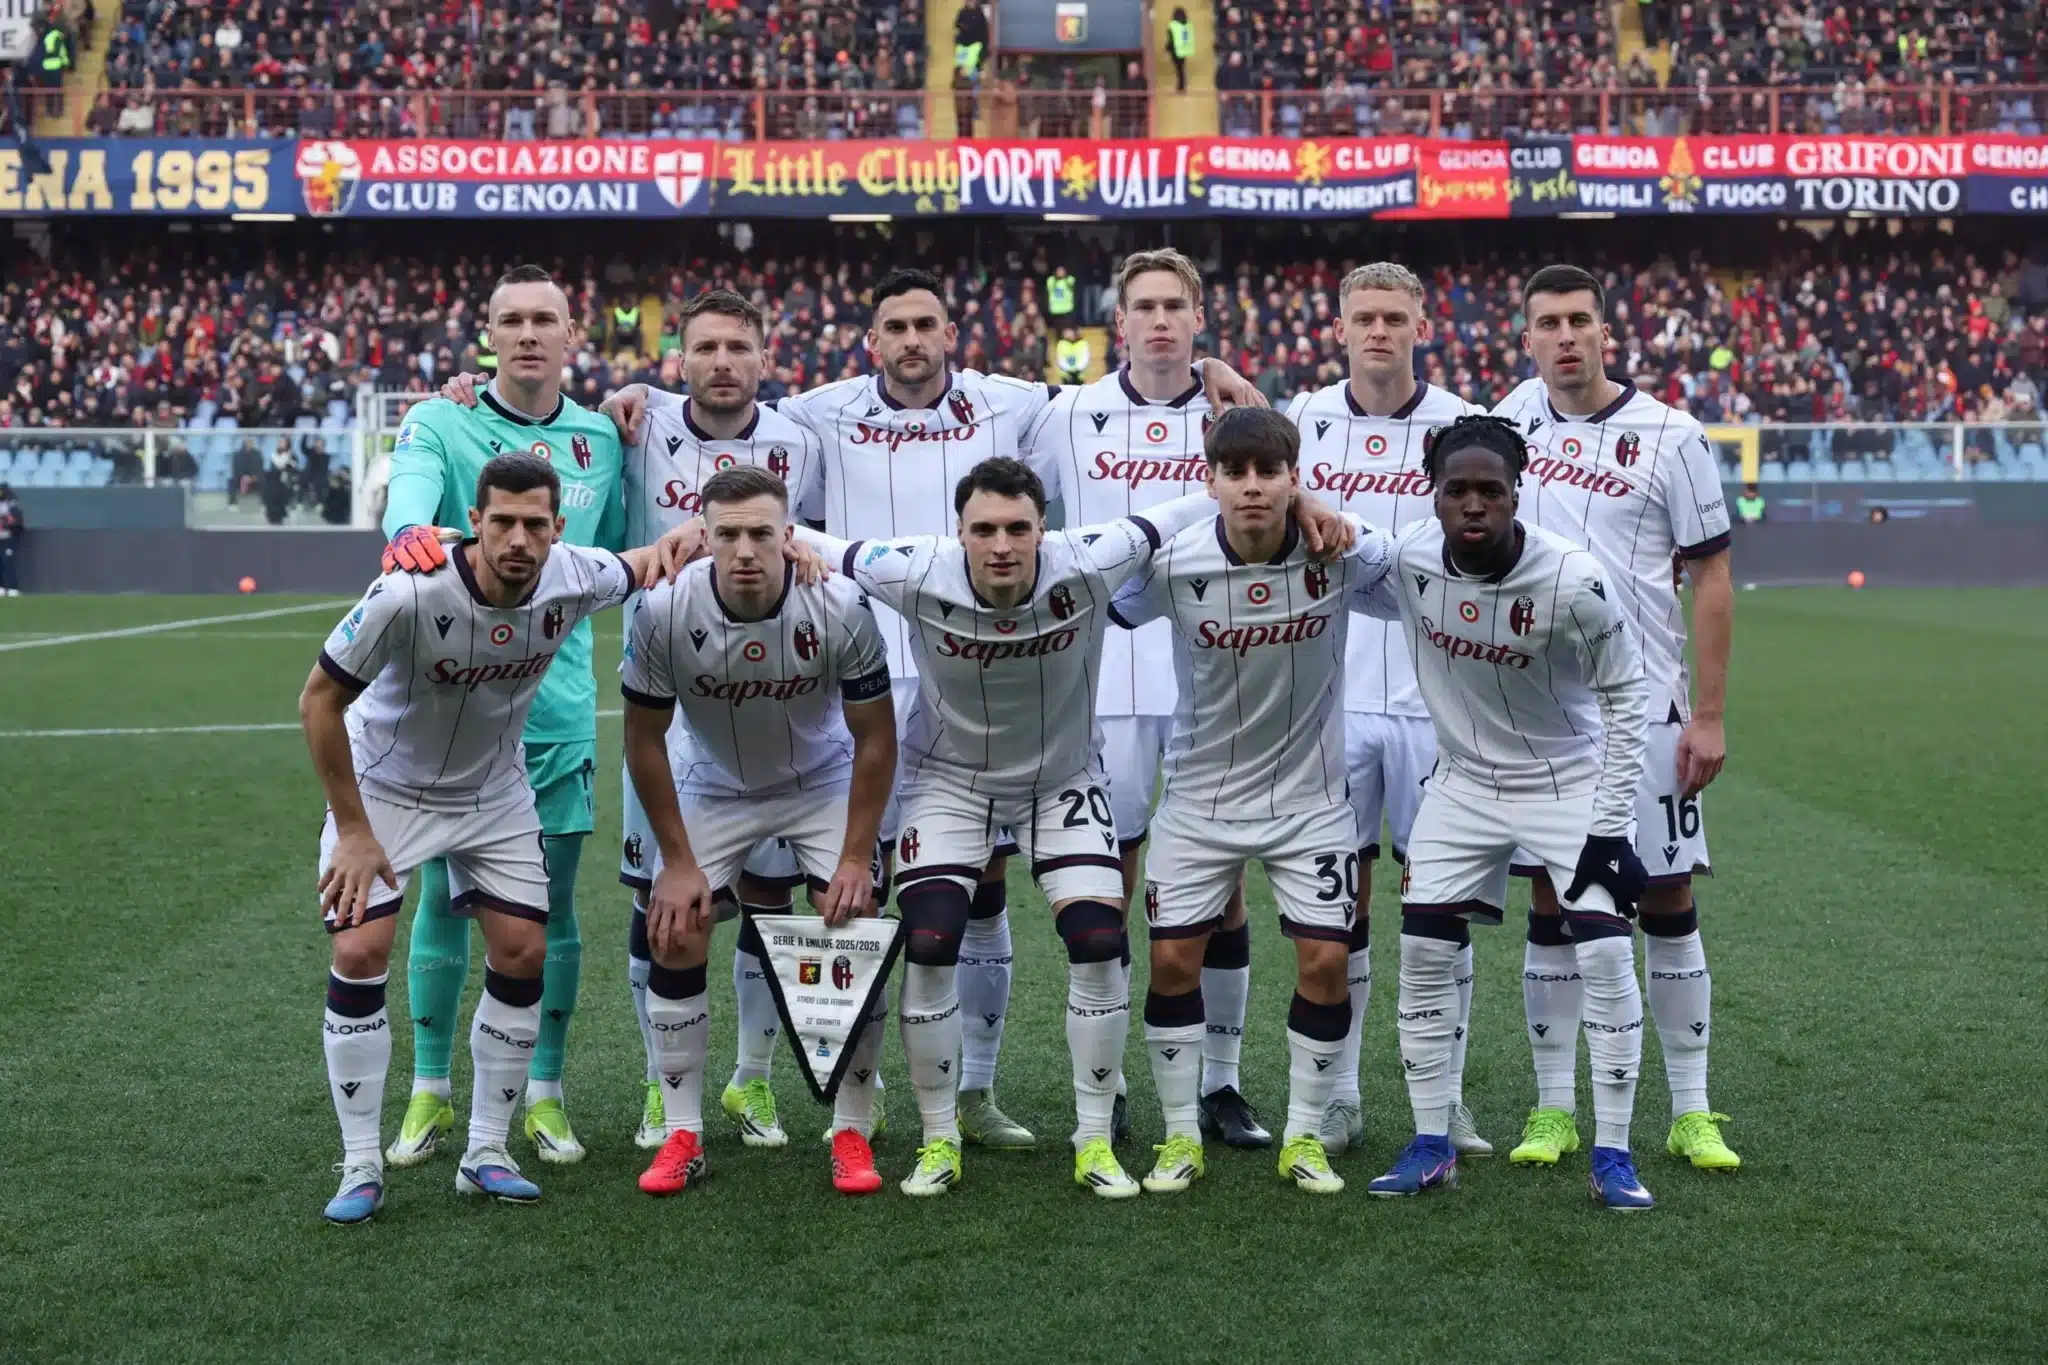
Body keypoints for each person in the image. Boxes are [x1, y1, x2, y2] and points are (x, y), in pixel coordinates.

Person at [600, 266, 1266, 1154]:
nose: (912, 341)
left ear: (950, 332)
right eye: (895, 328)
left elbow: (1138, 379)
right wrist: (644, 386)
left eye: (927, 325)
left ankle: (969, 1096)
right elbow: (729, 404)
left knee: (974, 901)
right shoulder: (818, 412)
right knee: (815, 900)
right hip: (851, 687)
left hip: (986, 680)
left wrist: (1209, 362)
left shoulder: (1014, 403)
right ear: (870, 341)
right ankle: (726, 1087)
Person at [798, 457, 1350, 1197]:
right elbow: (819, 543)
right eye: (983, 530)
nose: (1001, 545)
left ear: (1043, 530)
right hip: (951, 785)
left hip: (1062, 783)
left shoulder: (1091, 559)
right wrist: (758, 535)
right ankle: (939, 1138)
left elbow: (1190, 508)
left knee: (1098, 940)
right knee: (929, 942)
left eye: (1018, 528)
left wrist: (1299, 497)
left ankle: (1094, 1139)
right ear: (957, 533)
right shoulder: (912, 570)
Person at [436, 289, 828, 1153]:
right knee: (661, 904)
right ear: (676, 359)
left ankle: (749, 1080)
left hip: (778, 704)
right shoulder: (634, 427)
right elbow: (558, 439)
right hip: (670, 703)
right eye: (704, 348)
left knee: (768, 896)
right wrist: (465, 387)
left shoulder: (807, 436)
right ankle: (665, 1086)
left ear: (765, 355)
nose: (721, 362)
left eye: (737, 346)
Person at [303, 452, 659, 1225]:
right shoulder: (407, 591)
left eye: (536, 523)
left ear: (558, 528)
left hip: (493, 790)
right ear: (475, 521)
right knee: (360, 950)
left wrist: (707, 535)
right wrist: (357, 831)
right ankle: (362, 1160)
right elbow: (318, 700)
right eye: (502, 521)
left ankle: (486, 1151)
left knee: (523, 947)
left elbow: (642, 562)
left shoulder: (575, 574)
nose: (519, 538)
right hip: (386, 787)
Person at [1353, 416, 1656, 1209]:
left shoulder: (1574, 580)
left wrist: (1612, 823)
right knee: (1422, 951)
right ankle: (1430, 1140)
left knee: (1603, 956)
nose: (1475, 504)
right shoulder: (1411, 559)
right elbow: (1338, 547)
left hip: (1567, 783)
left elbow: (1630, 695)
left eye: (1492, 489)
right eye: (1459, 490)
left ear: (1519, 493)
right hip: (1460, 785)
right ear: (1435, 494)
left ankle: (1614, 1153)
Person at [378, 265, 629, 1171]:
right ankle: (430, 1091)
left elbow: (624, 566)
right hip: (456, 713)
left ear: (573, 336)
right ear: (488, 334)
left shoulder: (605, 435)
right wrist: (411, 531)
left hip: (557, 713)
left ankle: (546, 1095)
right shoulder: (440, 420)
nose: (528, 334)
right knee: (443, 906)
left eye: (545, 320)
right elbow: (409, 496)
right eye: (510, 320)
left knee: (548, 910)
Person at [1108, 407, 1393, 1196]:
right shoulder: (1175, 565)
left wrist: (1333, 517)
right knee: (1171, 959)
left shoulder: (1336, 551)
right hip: (1199, 797)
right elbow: (1105, 603)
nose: (1253, 486)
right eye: (1236, 473)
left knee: (1328, 961)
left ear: (1296, 479)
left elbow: (1415, 575)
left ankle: (1304, 1135)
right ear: (1211, 482)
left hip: (1312, 798)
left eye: (1270, 472)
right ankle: (1177, 1139)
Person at [1492, 265, 1739, 1174]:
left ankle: (1692, 1109)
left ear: (1607, 331)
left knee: (1668, 896)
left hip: (1648, 711)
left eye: (1579, 321)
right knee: (1553, 899)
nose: (1565, 336)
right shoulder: (1505, 424)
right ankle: (1555, 1107)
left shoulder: (1671, 435)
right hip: (1544, 716)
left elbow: (1710, 575)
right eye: (1548, 322)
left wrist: (1706, 714)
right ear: (1527, 337)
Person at [1025, 248, 1267, 1149]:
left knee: (1222, 882)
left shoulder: (1237, 411)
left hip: (1215, 674)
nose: (1159, 321)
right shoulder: (1066, 413)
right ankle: (1115, 1078)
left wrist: (1218, 381)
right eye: (1143, 307)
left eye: (1176, 306)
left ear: (1199, 318)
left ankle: (1222, 1081)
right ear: (1117, 322)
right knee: (1115, 883)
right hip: (1101, 683)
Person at [620, 465, 897, 1199]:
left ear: (788, 537)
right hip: (711, 782)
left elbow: (875, 738)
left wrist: (855, 857)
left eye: (762, 534)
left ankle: (851, 1129)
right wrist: (677, 862)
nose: (746, 550)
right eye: (729, 535)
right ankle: (683, 1130)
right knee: (675, 928)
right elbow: (644, 741)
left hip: (822, 780)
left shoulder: (838, 604)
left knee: (855, 920)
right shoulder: (663, 611)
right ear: (703, 539)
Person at [1284, 262, 1490, 1157]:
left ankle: (1445, 1102)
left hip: (1435, 704)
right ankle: (1340, 1096)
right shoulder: (1302, 419)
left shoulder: (1463, 430)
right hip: (1326, 704)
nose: (1378, 331)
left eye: (1393, 317)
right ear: (1339, 328)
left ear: (1420, 324)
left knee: (1441, 907)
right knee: (1340, 909)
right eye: (1363, 316)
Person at [0, 481, 22, 595]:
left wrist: (7, 524)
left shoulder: (12, 504)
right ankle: (2, 587)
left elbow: (17, 522)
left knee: (8, 562)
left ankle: (13, 588)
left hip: (8, 538)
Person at [1166, 7, 1194, 92]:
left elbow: (1170, 39)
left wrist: (1168, 48)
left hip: (1175, 50)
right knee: (1181, 68)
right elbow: (1187, 37)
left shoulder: (1172, 26)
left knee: (1179, 68)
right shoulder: (1187, 25)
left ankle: (1181, 85)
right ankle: (1182, 85)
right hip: (1184, 49)